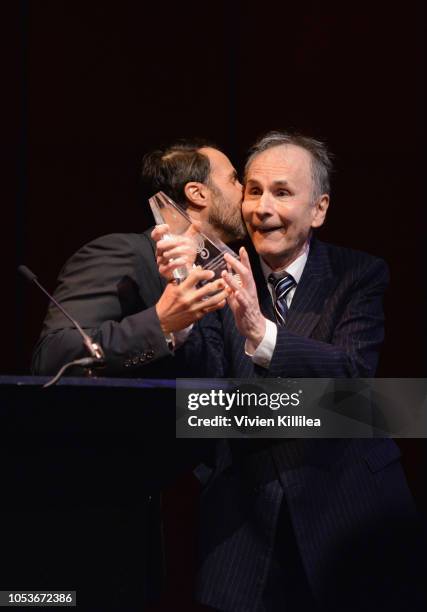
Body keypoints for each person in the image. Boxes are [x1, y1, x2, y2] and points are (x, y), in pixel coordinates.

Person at [154, 131, 424, 611]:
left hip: (345, 513)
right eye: (253, 190)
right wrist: (179, 318)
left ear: (319, 209)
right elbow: (200, 399)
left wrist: (261, 335)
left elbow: (354, 379)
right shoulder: (219, 275)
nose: (261, 207)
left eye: (281, 192)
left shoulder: (357, 275)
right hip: (243, 525)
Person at [31, 139, 245, 377]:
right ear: (197, 193)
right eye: (234, 179)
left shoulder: (228, 274)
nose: (244, 190)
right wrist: (161, 323)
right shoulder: (124, 252)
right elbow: (52, 356)